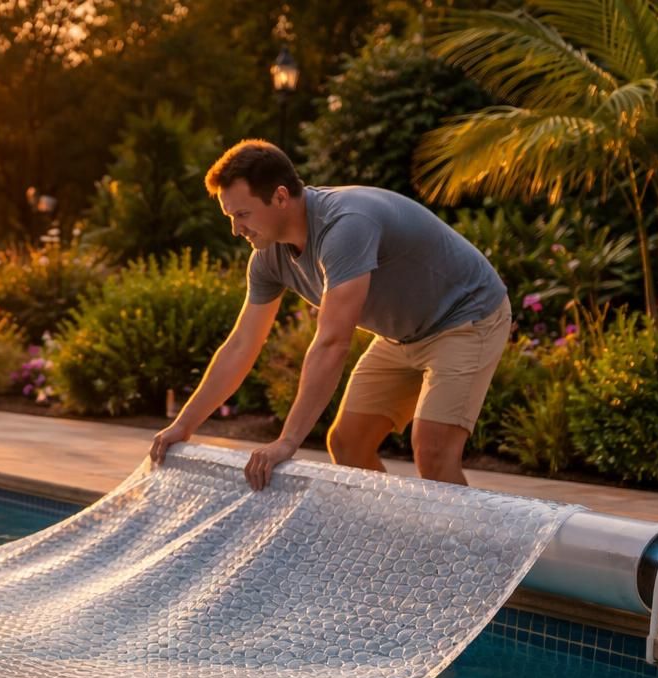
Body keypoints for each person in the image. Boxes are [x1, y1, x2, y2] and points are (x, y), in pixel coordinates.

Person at [148, 139, 510, 491]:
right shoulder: (268, 257)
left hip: (467, 316)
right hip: (403, 336)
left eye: (242, 214)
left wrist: (288, 441)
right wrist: (184, 425)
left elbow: (333, 342)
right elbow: (242, 343)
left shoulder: (346, 226)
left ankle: (472, 554)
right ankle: (390, 540)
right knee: (348, 443)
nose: (236, 229)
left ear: (279, 197)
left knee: (432, 450)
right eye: (230, 216)